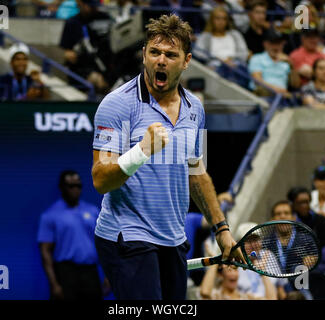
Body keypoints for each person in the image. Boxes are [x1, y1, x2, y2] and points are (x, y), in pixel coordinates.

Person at [91, 14, 244, 300]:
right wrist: (141, 151)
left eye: (170, 55)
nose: (161, 60)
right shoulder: (117, 104)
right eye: (154, 52)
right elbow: (100, 179)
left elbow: (197, 171)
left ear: (186, 61)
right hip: (127, 236)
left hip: (173, 238)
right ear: (144, 55)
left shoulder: (195, 108)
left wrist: (221, 229)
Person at [37, 170, 103, 300]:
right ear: (62, 188)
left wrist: (108, 275)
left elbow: (103, 245)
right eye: (71, 186)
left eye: (78, 186)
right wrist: (54, 284)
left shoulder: (93, 211)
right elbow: (45, 252)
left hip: (90, 272)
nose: (75, 190)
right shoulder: (50, 215)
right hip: (66, 273)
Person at [59, 0, 114, 94]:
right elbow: (66, 51)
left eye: (95, 6)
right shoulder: (72, 23)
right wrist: (69, 55)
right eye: (90, 6)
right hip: (83, 67)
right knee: (96, 81)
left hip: (107, 64)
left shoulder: (105, 18)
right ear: (80, 4)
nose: (93, 9)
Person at [248, 28, 300, 98]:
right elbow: (258, 81)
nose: (276, 47)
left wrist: (291, 65)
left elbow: (296, 85)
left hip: (282, 98)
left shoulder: (286, 61)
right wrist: (277, 91)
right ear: (265, 44)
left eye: (279, 43)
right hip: (263, 95)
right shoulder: (257, 58)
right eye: (273, 43)